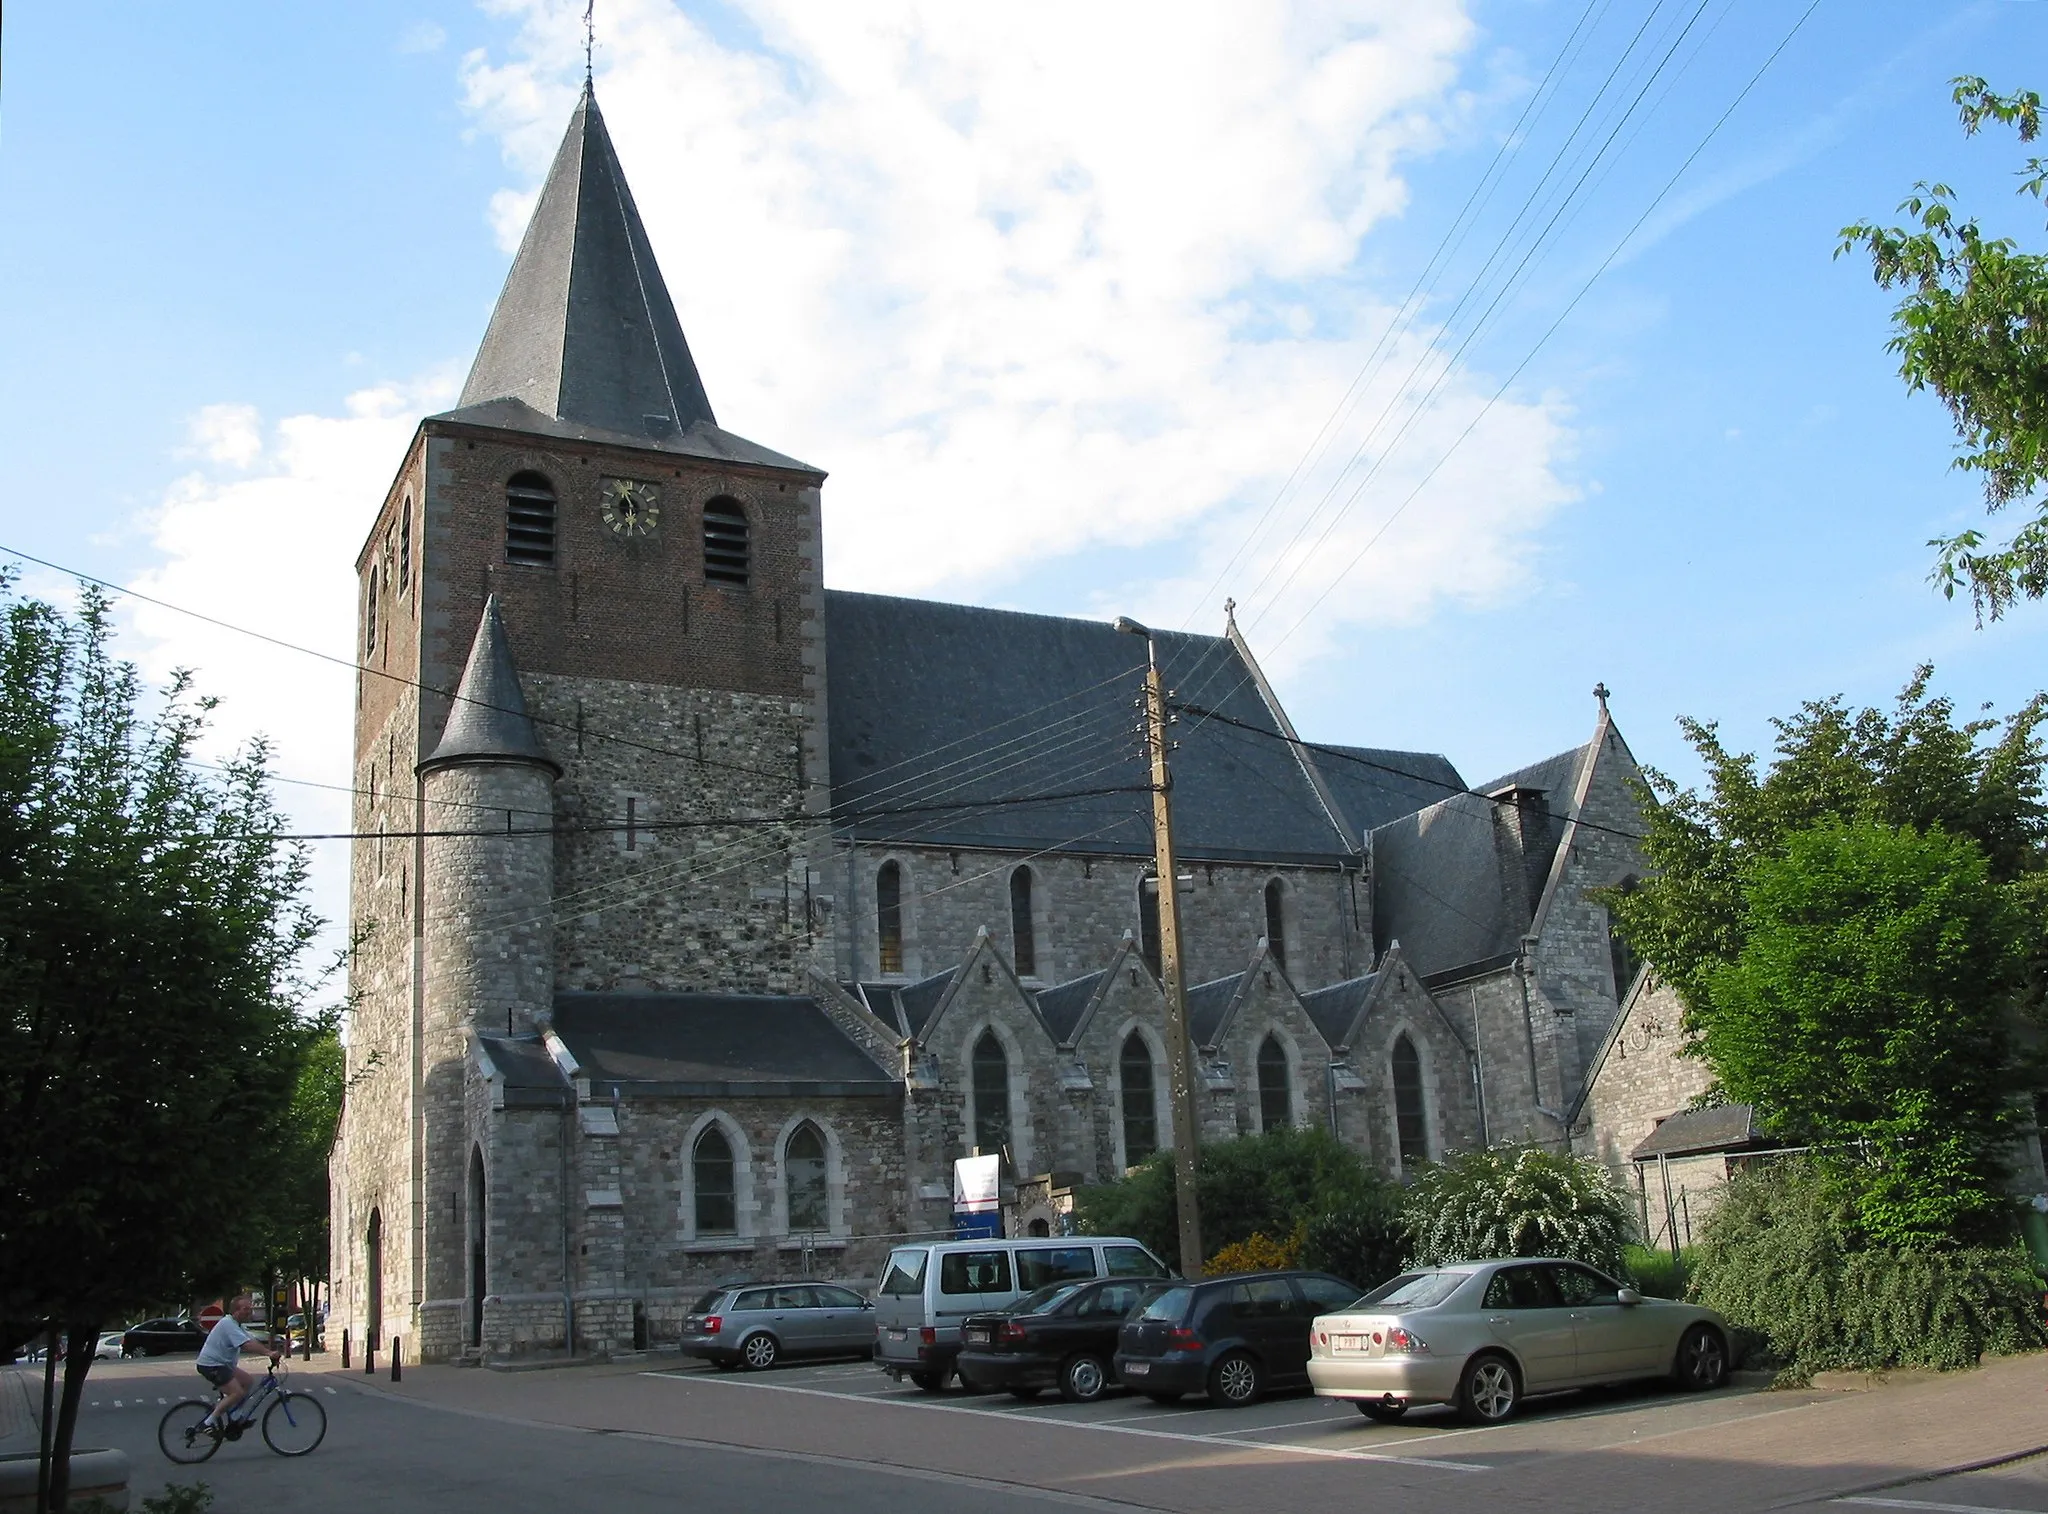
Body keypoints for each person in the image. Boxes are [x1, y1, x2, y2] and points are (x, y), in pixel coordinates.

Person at [194, 1294, 281, 1431]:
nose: (249, 1312)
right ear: (235, 1310)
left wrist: (269, 1351)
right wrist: (269, 1353)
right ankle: (207, 1423)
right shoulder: (227, 1324)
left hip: (223, 1364)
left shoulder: (237, 1325)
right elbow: (246, 1345)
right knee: (237, 1393)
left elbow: (252, 1341)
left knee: (247, 1381)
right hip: (211, 1365)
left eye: (250, 1308)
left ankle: (235, 1416)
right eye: (246, 1309)